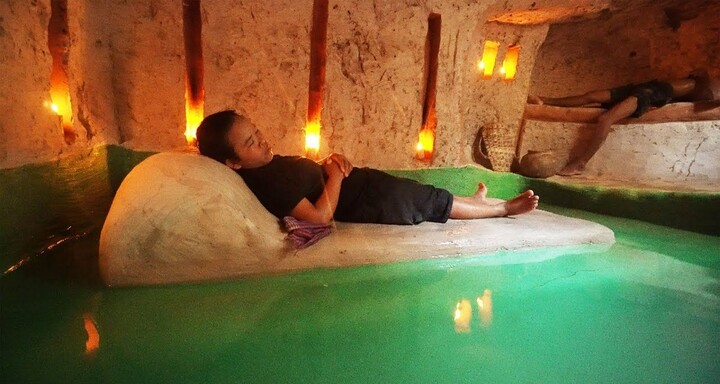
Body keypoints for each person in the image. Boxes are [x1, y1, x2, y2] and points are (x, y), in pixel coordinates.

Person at [196, 110, 539, 226]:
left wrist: (328, 163)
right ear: (233, 162)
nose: (262, 140)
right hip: (366, 201)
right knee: (431, 202)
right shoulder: (268, 183)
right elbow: (319, 217)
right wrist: (334, 175)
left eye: (256, 131)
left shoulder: (265, 166)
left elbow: (306, 182)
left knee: (426, 194)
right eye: (250, 142)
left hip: (362, 185)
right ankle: (501, 210)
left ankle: (475, 202)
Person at [528, 69, 718, 176]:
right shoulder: (699, 79)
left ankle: (580, 162)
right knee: (591, 96)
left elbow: (710, 99)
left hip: (651, 93)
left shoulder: (704, 88)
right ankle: (545, 100)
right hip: (646, 86)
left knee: (606, 119)